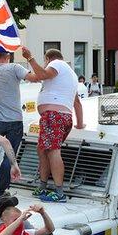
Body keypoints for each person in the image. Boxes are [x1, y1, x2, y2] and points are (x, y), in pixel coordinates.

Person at [22, 47, 85, 203]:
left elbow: (43, 75)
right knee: (42, 149)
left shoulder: (57, 64)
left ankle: (59, 192)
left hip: (53, 116)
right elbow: (77, 102)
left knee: (52, 151)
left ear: (48, 59)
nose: (45, 65)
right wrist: (79, 123)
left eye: (45, 62)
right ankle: (43, 186)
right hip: (63, 117)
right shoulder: (71, 75)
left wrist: (30, 58)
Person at [0, 51, 39, 197]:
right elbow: (35, 78)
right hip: (14, 120)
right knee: (10, 156)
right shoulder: (14, 68)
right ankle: (0, 191)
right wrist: (30, 58)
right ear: (8, 57)